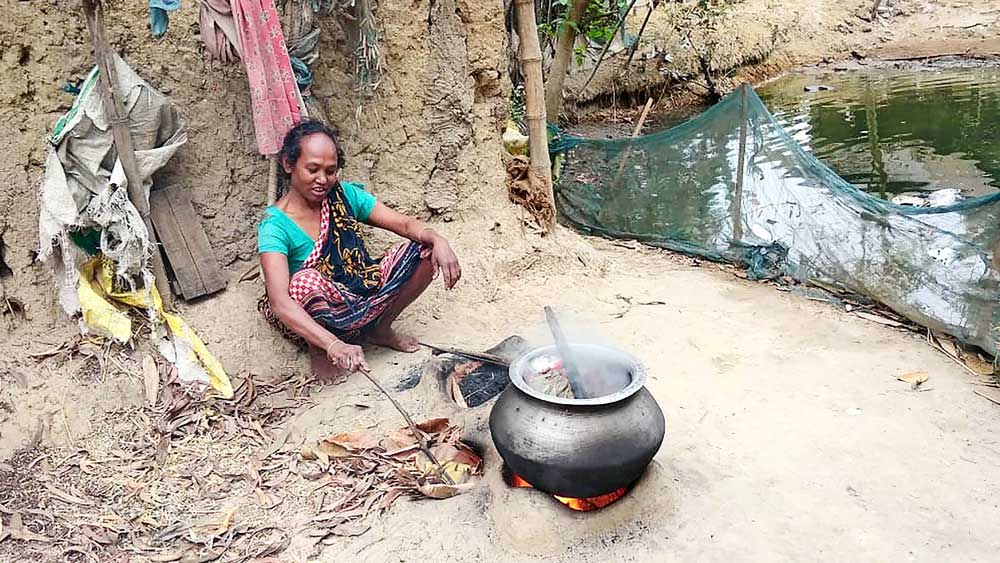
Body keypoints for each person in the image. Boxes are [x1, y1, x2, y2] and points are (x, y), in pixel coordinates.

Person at [257, 121, 461, 379]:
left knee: (424, 249)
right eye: (313, 169)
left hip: (359, 292)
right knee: (304, 283)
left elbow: (404, 224)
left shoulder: (343, 195)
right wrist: (332, 344)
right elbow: (280, 302)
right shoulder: (275, 226)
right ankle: (318, 352)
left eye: (330, 171)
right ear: (289, 164)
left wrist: (437, 239)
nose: (323, 180)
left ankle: (380, 328)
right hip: (317, 318)